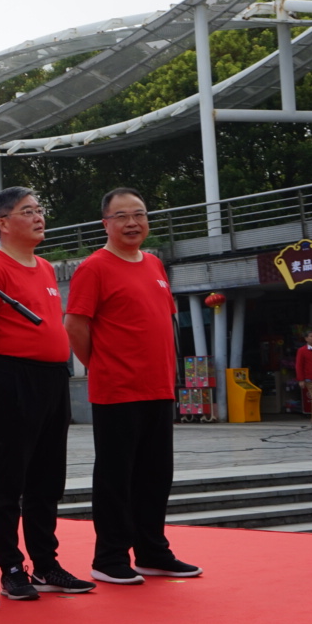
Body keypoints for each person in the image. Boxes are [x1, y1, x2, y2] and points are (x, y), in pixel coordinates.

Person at [66, 188, 201, 584]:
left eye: (139, 214)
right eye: (121, 216)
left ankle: (152, 551)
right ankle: (109, 558)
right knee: (116, 477)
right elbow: (75, 325)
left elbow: (162, 321)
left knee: (156, 474)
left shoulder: (155, 264)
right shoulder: (94, 267)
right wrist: (102, 364)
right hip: (117, 389)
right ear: (105, 223)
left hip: (158, 387)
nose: (132, 223)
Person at [0, 188, 95, 601]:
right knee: (10, 477)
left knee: (47, 476)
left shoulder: (43, 267)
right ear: (4, 223)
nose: (39, 217)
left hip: (52, 379)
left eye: (40, 209)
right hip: (12, 378)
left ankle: (46, 563)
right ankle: (10, 567)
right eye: (28, 211)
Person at [295, 330, 312, 428]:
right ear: (306, 338)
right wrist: (301, 379)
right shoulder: (302, 350)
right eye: (311, 336)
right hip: (310, 379)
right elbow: (299, 365)